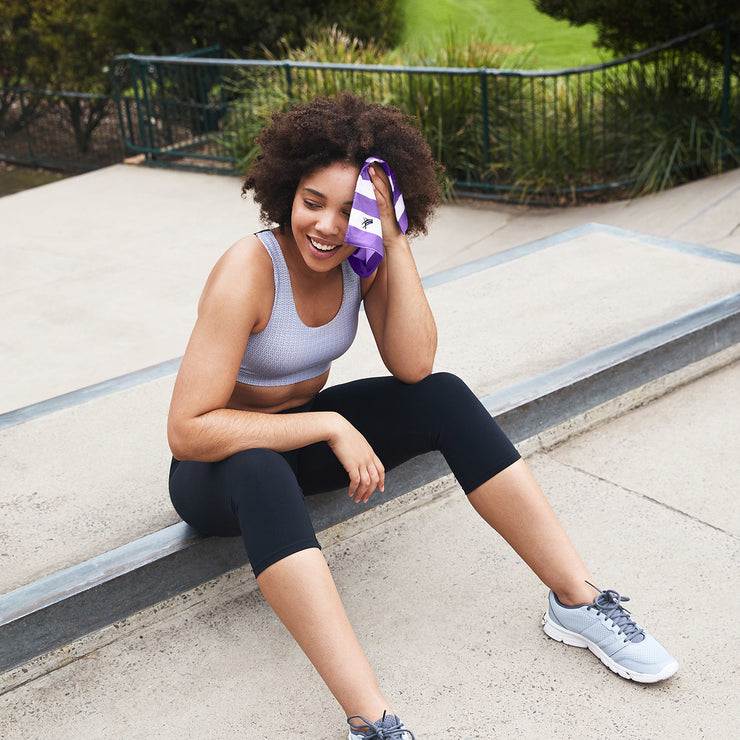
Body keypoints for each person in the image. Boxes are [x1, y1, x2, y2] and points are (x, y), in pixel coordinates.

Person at [167, 92, 677, 740]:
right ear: (285, 191)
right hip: (215, 465)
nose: (326, 226)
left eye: (349, 209)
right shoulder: (251, 267)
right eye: (312, 201)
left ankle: (576, 598)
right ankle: (373, 723)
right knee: (263, 471)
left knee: (445, 396)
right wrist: (328, 425)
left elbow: (414, 365)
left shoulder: (359, 256)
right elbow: (187, 427)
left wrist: (391, 233)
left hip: (296, 436)